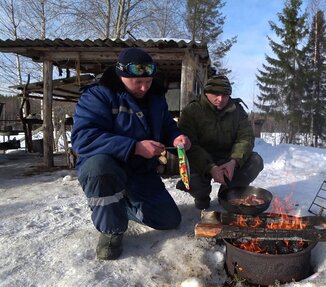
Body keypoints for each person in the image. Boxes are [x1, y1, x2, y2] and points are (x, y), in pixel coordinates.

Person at [71, 47, 191, 260]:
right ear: (121, 76)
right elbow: (83, 139)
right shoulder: (99, 94)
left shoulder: (155, 97)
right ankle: (111, 231)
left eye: (149, 81)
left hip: (140, 172)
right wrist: (134, 147)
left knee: (169, 220)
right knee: (99, 168)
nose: (144, 87)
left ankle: (121, 204)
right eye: (137, 82)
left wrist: (175, 137)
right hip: (109, 168)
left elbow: (165, 126)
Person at [177, 74, 264, 209]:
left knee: (255, 160)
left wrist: (233, 161)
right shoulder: (192, 111)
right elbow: (190, 145)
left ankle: (228, 192)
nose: (220, 99)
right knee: (188, 172)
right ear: (206, 93)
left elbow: (245, 138)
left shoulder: (237, 110)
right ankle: (201, 196)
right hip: (201, 160)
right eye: (215, 94)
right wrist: (210, 168)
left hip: (227, 158)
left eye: (225, 95)